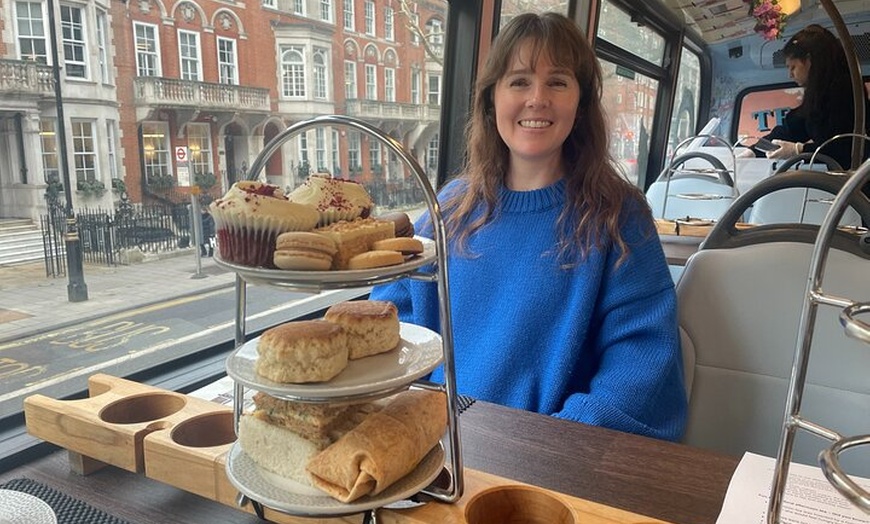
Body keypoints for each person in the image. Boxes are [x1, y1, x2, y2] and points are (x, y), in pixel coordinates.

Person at [370, 12, 687, 441]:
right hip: (436, 441)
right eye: (519, 81)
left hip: (553, 454)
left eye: (557, 82)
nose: (537, 98)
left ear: (581, 101)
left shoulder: (619, 217)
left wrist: (546, 446)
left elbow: (640, 363)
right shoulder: (450, 208)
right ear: (491, 99)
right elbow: (393, 321)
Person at [749, 24, 870, 169]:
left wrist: (799, 150)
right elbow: (792, 128)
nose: (790, 74)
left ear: (809, 61)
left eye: (792, 67)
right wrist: (754, 150)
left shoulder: (844, 90)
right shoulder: (819, 95)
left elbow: (844, 149)